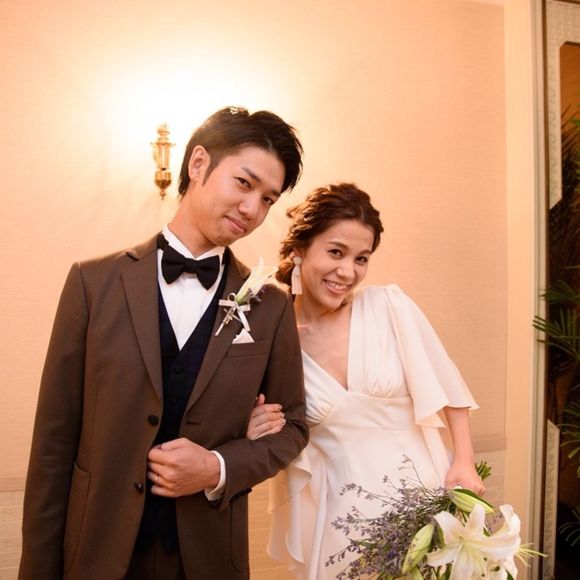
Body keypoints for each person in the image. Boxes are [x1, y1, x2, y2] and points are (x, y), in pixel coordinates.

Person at [19, 106, 309, 580]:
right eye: (243, 183)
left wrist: (217, 466)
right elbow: (53, 442)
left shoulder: (270, 305)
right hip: (98, 551)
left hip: (209, 555)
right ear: (198, 164)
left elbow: (293, 425)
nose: (252, 209)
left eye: (267, 199)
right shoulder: (93, 283)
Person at [246, 182, 484, 579]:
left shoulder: (388, 306)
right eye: (335, 252)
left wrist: (463, 462)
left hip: (426, 499)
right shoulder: (276, 337)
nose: (347, 271)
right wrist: (254, 427)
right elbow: (269, 424)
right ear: (299, 249)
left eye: (361, 258)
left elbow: (449, 387)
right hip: (340, 519)